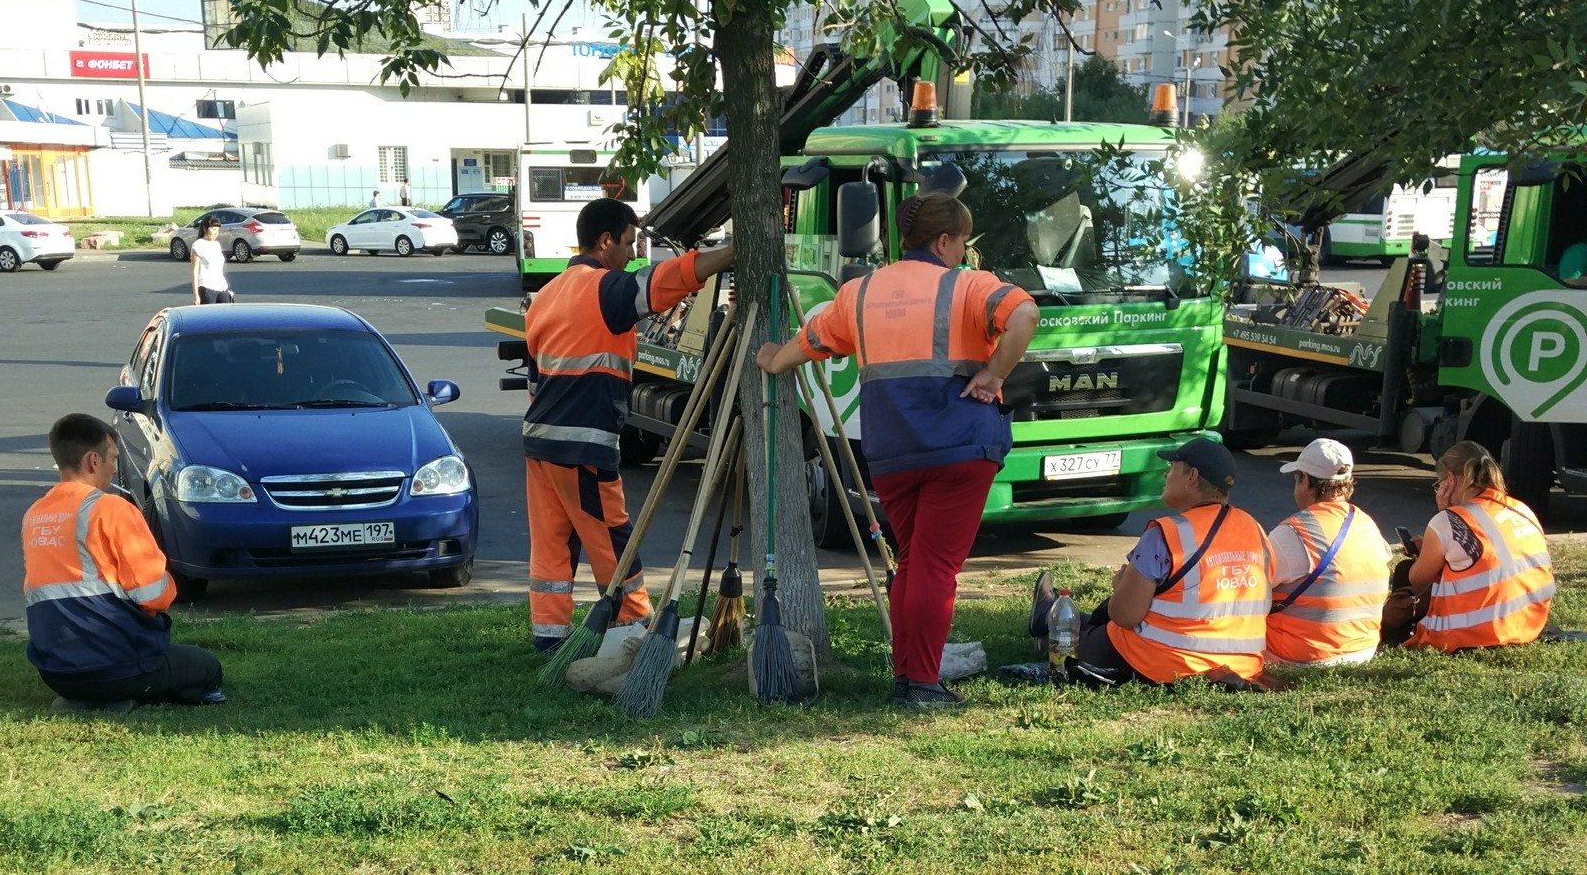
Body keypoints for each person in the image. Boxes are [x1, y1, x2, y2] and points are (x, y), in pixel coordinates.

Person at [756, 193, 1038, 708]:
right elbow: (1025, 317)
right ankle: (923, 685)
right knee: (934, 568)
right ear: (946, 240)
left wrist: (774, 361)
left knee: (912, 563)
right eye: (962, 242)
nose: (964, 252)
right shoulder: (969, 286)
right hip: (960, 447)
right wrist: (993, 373)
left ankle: (909, 678)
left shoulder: (860, 292)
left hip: (890, 452)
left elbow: (811, 343)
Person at [523, 197, 734, 651]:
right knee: (610, 536)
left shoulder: (547, 295)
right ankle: (634, 628)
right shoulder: (604, 289)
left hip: (540, 441)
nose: (633, 253)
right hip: (583, 443)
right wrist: (730, 254)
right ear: (605, 242)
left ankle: (549, 638)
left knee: (551, 543)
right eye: (629, 242)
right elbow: (665, 280)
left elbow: (536, 377)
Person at [22, 414, 224, 711]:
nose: (115, 468)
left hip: (56, 672)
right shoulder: (111, 509)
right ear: (93, 461)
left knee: (106, 670)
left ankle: (87, 698)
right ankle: (123, 695)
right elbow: (155, 595)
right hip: (119, 665)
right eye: (113, 459)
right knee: (206, 667)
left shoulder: (34, 517)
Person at [1071, 437, 1273, 686]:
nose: (1166, 473)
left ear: (1192, 477)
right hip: (1242, 666)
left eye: (1173, 467)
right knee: (1089, 620)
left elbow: (1124, 615)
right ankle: (1056, 612)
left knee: (1082, 638)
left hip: (1168, 663)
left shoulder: (1166, 533)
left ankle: (1050, 618)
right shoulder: (1254, 528)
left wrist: (1120, 586)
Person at [1390, 441, 1554, 652]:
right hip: (1528, 626)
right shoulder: (1521, 509)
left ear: (1449, 479)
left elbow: (1417, 578)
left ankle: (1391, 635)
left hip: (1473, 634)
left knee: (1405, 570)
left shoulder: (1450, 520)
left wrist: (1445, 511)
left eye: (1439, 483)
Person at [1264, 438, 1392, 667]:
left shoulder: (1293, 533)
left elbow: (1249, 590)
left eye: (1297, 477)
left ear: (1304, 481)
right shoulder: (1368, 525)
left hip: (1299, 655)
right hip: (1363, 650)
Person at [190, 216, 233, 305]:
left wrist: (226, 289)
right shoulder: (198, 245)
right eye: (213, 229)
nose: (216, 233)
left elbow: (218, 270)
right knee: (210, 318)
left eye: (217, 230)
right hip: (207, 288)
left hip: (222, 287)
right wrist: (196, 295)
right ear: (205, 229)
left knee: (226, 317)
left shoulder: (216, 244)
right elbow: (194, 273)